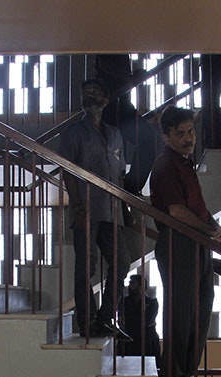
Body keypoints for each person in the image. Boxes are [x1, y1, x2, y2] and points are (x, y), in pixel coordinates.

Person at [149, 105, 221, 377]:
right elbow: (176, 211)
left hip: (197, 244)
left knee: (200, 312)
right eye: (180, 134)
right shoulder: (165, 165)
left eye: (191, 131)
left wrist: (219, 233)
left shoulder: (186, 165)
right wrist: (210, 232)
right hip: (178, 244)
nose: (189, 138)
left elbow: (200, 209)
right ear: (166, 137)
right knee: (181, 314)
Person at [57, 78, 132, 340]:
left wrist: (126, 209)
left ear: (105, 100)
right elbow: (67, 172)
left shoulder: (115, 134)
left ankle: (105, 317)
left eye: (94, 92)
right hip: (86, 208)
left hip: (112, 210)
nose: (89, 96)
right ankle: (86, 321)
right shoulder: (73, 133)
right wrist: (77, 206)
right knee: (85, 268)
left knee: (122, 263)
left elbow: (119, 174)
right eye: (85, 92)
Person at [94, 54, 160, 195]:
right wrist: (131, 79)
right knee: (112, 156)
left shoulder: (121, 42)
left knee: (149, 140)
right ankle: (127, 188)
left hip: (122, 105)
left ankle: (129, 188)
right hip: (111, 105)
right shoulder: (106, 39)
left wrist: (131, 78)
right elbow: (103, 64)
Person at [118, 274, 161, 361]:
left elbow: (146, 321)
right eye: (129, 283)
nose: (129, 286)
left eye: (133, 284)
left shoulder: (152, 302)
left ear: (142, 287)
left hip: (147, 343)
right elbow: (122, 322)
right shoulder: (124, 302)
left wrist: (130, 321)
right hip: (128, 343)